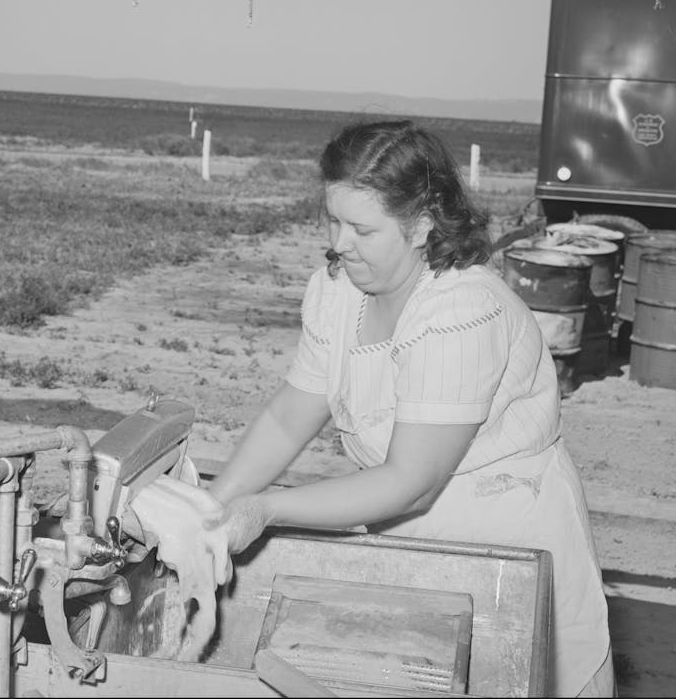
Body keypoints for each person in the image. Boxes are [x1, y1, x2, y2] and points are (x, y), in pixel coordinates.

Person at [204, 120, 614, 697]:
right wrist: (214, 508)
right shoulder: (340, 290)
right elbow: (290, 415)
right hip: (420, 549)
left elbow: (411, 481)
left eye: (363, 229)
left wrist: (265, 509)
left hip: (509, 546)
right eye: (334, 220)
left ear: (422, 225)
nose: (341, 243)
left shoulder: (461, 309)